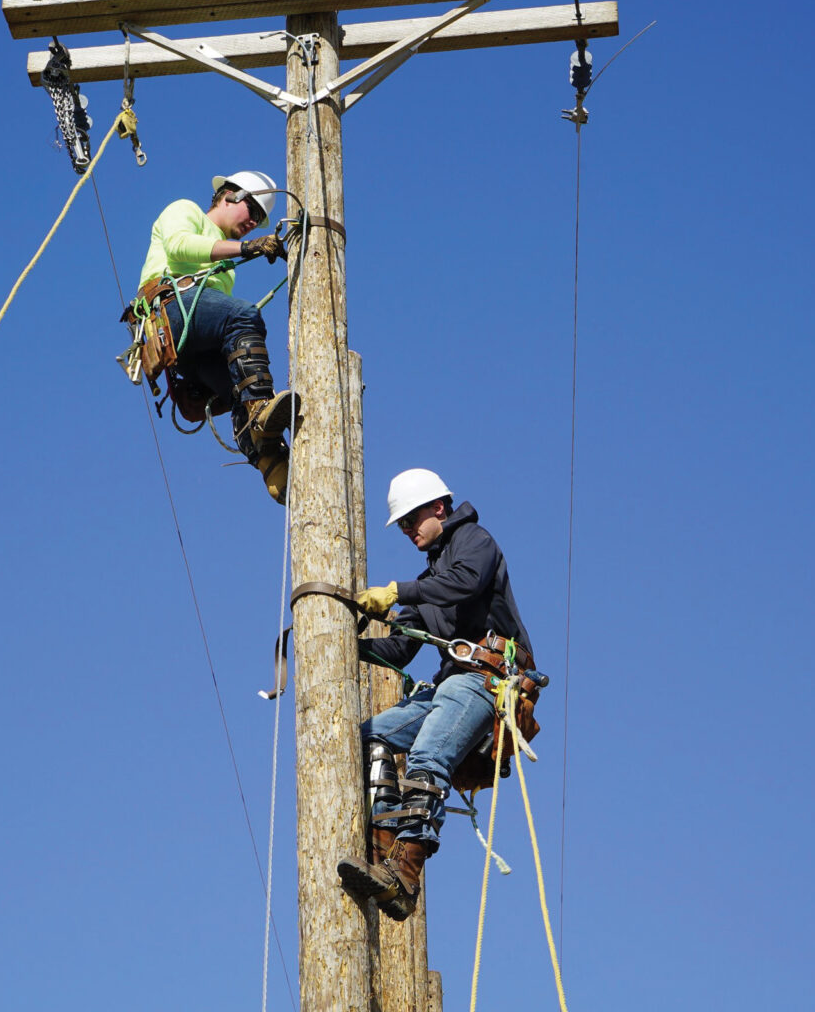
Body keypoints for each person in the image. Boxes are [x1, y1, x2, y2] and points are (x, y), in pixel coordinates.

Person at [337, 468, 539, 921]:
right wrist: (340, 643)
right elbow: (400, 649)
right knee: (373, 736)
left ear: (439, 508)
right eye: (402, 525)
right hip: (450, 685)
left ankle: (405, 876)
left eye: (411, 520)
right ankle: (384, 846)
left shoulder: (474, 542)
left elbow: (464, 583)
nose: (408, 531)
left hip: (486, 680)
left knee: (428, 755)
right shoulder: (429, 581)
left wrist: (395, 592)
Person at [137, 170, 300, 504]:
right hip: (171, 312)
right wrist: (244, 247)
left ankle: (271, 463)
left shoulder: (227, 263)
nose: (255, 222)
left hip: (192, 339)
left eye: (260, 218)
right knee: (243, 315)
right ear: (230, 195)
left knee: (234, 387)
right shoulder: (186, 211)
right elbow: (179, 246)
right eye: (252, 211)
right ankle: (260, 411)